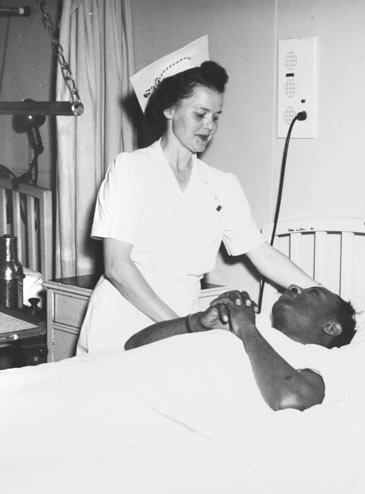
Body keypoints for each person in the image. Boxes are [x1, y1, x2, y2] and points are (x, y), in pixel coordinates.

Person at [77, 37, 318, 354]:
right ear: (169, 109)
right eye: (200, 114)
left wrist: (323, 295)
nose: (210, 126)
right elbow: (117, 267)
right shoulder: (130, 170)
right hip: (122, 325)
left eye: (216, 116)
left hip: (183, 325)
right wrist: (183, 329)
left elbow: (263, 255)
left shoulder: (221, 185)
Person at [125, 285, 356, 411]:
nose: (294, 287)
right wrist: (198, 322)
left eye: (313, 293)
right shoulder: (256, 324)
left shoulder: (324, 359)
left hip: (165, 404)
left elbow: (290, 399)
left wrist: (246, 328)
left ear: (331, 328)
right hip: (132, 382)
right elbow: (133, 346)